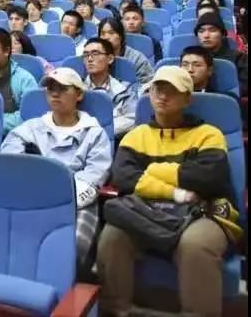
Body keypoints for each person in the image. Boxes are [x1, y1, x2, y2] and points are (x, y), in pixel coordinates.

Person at [97, 67, 241, 317]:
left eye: (172, 91)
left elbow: (209, 178)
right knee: (112, 235)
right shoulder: (136, 136)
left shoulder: (208, 135)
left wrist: (154, 170)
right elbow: (125, 178)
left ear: (188, 99)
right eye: (158, 89)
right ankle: (117, 310)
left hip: (203, 211)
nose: (162, 96)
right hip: (146, 210)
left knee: (195, 244)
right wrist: (176, 191)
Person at [2, 68, 111, 263]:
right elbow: (11, 158)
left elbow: (95, 174)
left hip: (77, 203)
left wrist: (61, 197)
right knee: (13, 242)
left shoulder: (94, 133)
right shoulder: (31, 128)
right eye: (50, 88)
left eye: (62, 88)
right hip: (33, 197)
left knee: (70, 250)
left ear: (79, 94)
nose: (54, 93)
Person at [80, 38, 138, 136]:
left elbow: (132, 118)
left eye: (95, 54)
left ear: (110, 59)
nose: (89, 59)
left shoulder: (125, 89)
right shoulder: (77, 89)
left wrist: (99, 130)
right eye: (86, 55)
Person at [194, 12, 248, 99]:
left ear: (222, 34)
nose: (206, 35)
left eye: (212, 30)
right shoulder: (191, 59)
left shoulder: (239, 58)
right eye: (201, 31)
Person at [98, 18, 154, 85]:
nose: (106, 37)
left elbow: (148, 85)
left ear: (121, 36)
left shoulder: (137, 58)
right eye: (102, 33)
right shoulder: (95, 57)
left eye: (111, 33)